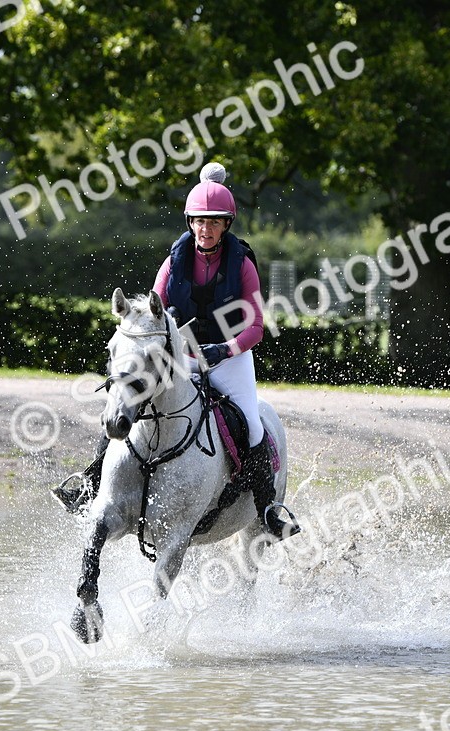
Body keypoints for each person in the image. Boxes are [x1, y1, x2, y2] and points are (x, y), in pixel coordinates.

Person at [53, 162, 286, 535]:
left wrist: (224, 350)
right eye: (198, 221)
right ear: (190, 221)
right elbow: (152, 317)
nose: (205, 229)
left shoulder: (242, 264)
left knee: (253, 426)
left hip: (230, 356)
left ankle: (269, 508)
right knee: (127, 402)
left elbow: (256, 326)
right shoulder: (174, 261)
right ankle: (91, 481)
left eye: (213, 222)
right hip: (180, 356)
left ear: (226, 224)